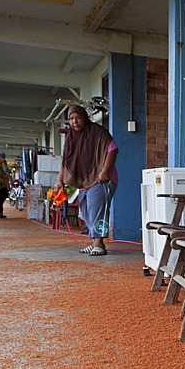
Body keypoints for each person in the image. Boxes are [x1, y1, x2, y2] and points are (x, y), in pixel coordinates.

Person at [54, 105, 118, 256]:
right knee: (86, 211)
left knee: (97, 209)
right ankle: (94, 242)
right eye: (71, 119)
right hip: (83, 180)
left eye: (78, 118)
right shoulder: (70, 137)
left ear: (84, 117)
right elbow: (66, 161)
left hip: (101, 179)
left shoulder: (98, 132)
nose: (74, 122)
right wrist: (59, 180)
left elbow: (112, 150)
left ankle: (99, 243)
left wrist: (104, 171)